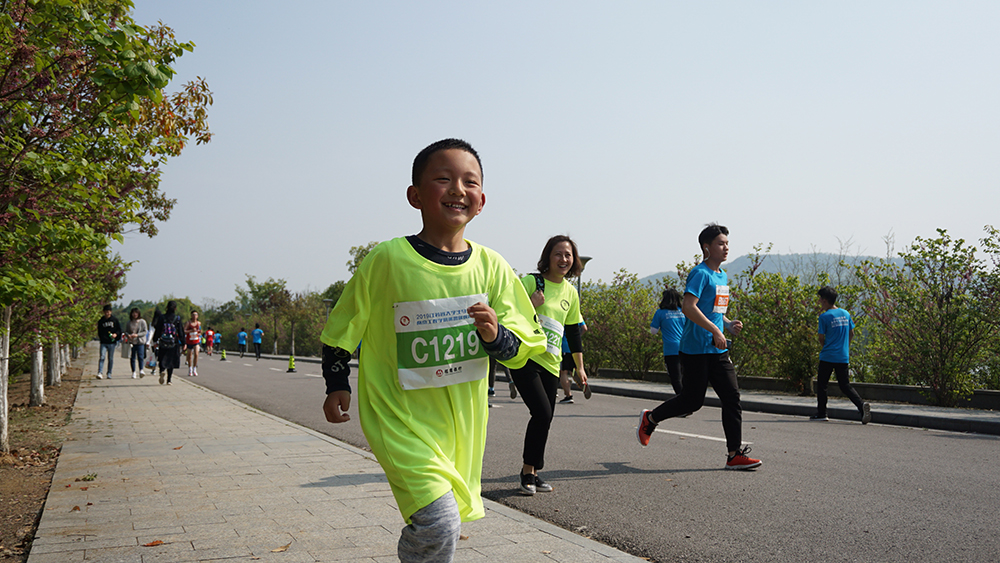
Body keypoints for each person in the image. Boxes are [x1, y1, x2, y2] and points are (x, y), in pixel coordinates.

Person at [320, 139, 545, 563]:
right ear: (415, 196)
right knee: (439, 521)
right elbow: (342, 327)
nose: (458, 189)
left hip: (460, 427)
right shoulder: (387, 259)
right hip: (398, 419)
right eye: (443, 179)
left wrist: (496, 336)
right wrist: (336, 382)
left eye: (470, 182)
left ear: (481, 201)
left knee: (447, 523)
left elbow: (523, 347)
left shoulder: (493, 268)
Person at [636, 224, 762, 470]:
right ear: (707, 247)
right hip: (695, 349)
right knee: (692, 401)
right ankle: (650, 418)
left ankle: (734, 454)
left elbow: (714, 311)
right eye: (720, 243)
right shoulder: (700, 273)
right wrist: (715, 330)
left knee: (732, 397)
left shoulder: (722, 276)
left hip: (718, 349)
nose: (726, 248)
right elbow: (688, 307)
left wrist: (727, 324)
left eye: (727, 243)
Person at [511, 235, 589, 495]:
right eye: (558, 254)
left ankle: (534, 472)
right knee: (542, 413)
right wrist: (530, 305)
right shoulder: (531, 282)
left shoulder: (570, 292)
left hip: (551, 362)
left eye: (568, 255)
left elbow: (573, 333)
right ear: (548, 257)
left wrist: (579, 367)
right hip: (525, 359)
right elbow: (506, 312)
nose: (563, 259)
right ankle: (527, 472)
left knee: (545, 418)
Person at [812, 285, 872, 424]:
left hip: (828, 356)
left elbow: (821, 338)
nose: (819, 302)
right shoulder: (845, 313)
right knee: (845, 385)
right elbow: (852, 333)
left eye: (820, 299)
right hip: (842, 356)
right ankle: (861, 406)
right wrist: (845, 347)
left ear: (825, 300)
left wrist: (826, 347)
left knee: (822, 385)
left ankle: (822, 413)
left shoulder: (824, 317)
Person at [650, 288, 685, 395]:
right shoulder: (684, 312)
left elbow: (653, 331)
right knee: (686, 377)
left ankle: (682, 400)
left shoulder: (660, 313)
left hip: (671, 349)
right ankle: (688, 399)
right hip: (686, 347)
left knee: (676, 378)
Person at [153, 301, 184, 385]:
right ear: (175, 308)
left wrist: (155, 340)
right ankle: (169, 379)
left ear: (166, 307)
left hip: (163, 341)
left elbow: (158, 330)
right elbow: (180, 331)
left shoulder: (162, 317)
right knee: (171, 361)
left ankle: (162, 371)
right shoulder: (177, 318)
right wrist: (183, 343)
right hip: (173, 342)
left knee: (162, 358)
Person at [558, 321, 589, 404]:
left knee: (563, 372)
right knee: (573, 370)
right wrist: (576, 338)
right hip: (575, 348)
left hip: (564, 347)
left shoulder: (563, 315)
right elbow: (585, 328)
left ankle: (568, 395)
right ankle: (582, 381)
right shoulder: (577, 316)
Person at [96, 304, 122, 379]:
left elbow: (119, 330)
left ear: (111, 312)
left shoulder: (115, 320)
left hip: (112, 342)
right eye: (106, 311)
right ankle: (100, 372)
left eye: (108, 311)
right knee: (102, 357)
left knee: (110, 358)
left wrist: (116, 334)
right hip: (104, 342)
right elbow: (99, 331)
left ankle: (109, 373)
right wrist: (102, 338)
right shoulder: (101, 321)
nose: (107, 313)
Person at [126, 308, 148, 379]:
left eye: (136, 313)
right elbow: (126, 331)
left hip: (140, 341)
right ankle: (133, 372)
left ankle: (141, 370)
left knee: (140, 356)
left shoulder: (142, 321)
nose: (135, 314)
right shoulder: (129, 322)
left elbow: (145, 331)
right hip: (132, 342)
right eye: (133, 313)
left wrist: (137, 335)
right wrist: (128, 335)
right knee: (132, 357)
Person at [184, 310, 202, 376]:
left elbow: (200, 331)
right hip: (189, 341)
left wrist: (199, 333)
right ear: (191, 316)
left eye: (196, 315)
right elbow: (184, 331)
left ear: (197, 316)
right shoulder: (188, 323)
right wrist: (191, 330)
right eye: (193, 315)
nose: (194, 316)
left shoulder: (199, 323)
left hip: (196, 341)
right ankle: (190, 369)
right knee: (189, 356)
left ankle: (194, 369)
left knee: (196, 354)